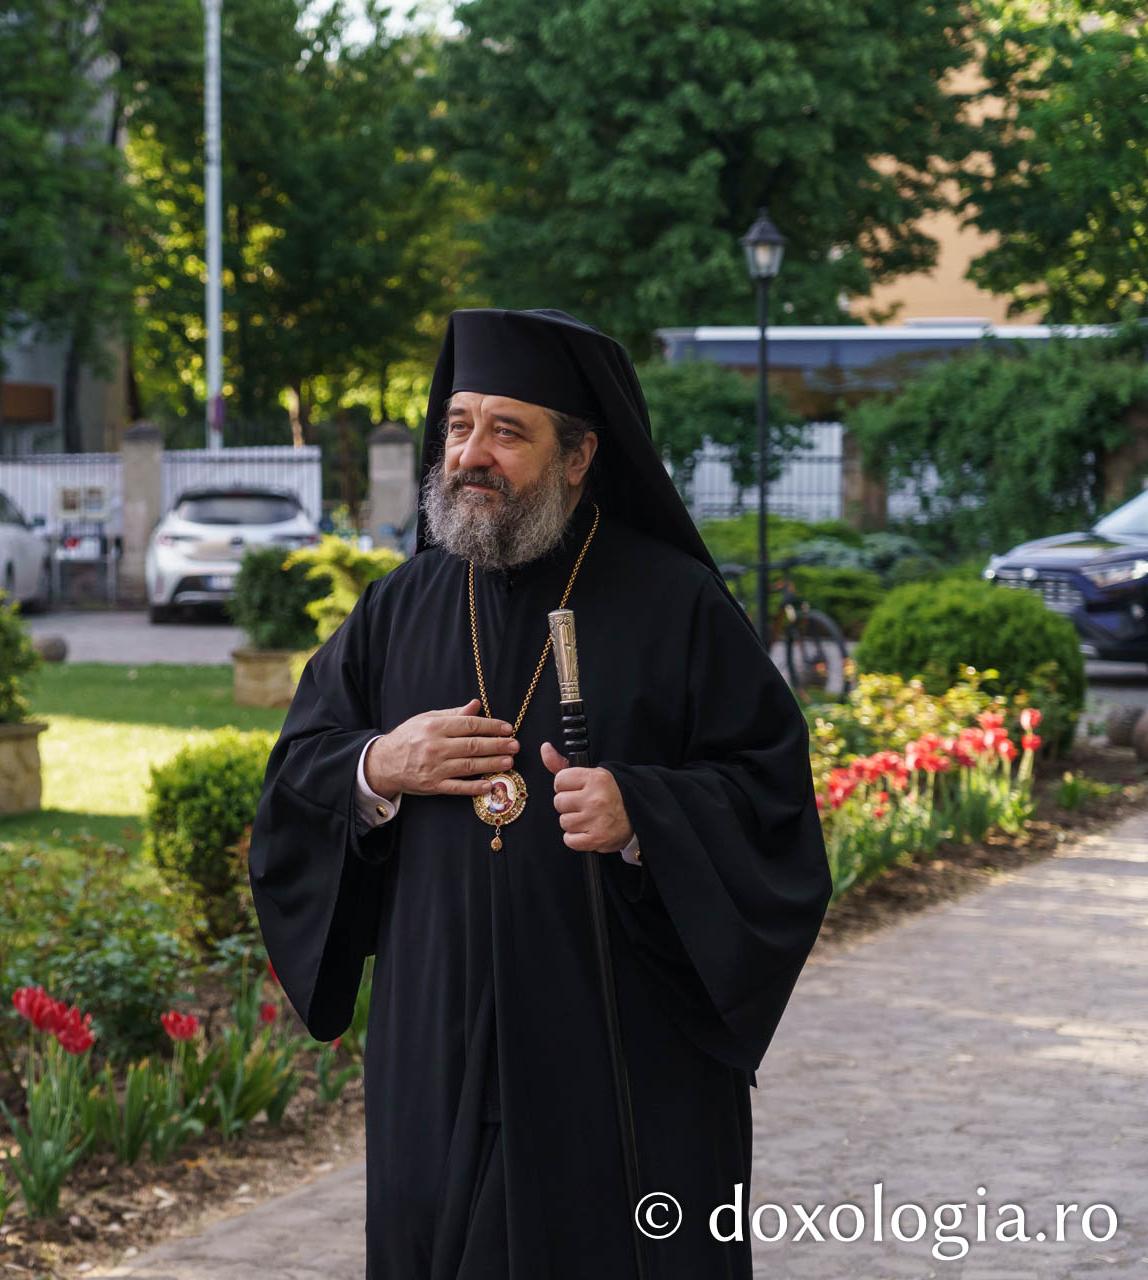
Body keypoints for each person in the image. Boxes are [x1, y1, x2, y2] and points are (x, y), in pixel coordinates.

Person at [249, 309, 831, 1278]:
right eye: (460, 425)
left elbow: (771, 798)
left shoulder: (677, 604)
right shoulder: (398, 608)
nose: (471, 454)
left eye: (507, 431)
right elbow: (297, 776)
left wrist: (644, 814)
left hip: (616, 1059)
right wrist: (380, 765)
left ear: (580, 455)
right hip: (437, 1044)